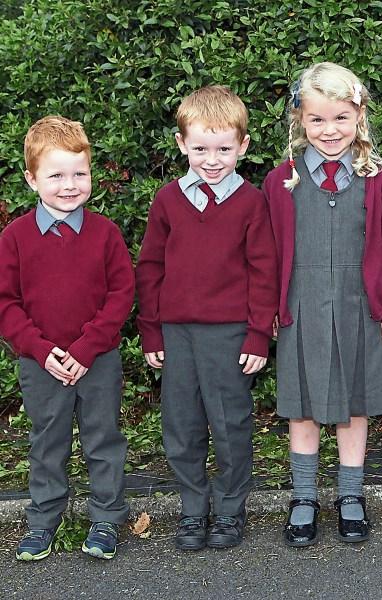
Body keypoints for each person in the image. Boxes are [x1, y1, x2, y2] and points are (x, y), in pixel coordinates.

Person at [261, 62, 382, 546]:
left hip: (358, 306)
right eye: (317, 119)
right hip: (300, 308)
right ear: (300, 119)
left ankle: (349, 496)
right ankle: (303, 497)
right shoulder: (281, 181)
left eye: (340, 118)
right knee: (302, 407)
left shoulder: (376, 180)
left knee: (352, 406)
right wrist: (270, 313)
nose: (329, 130)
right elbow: (267, 254)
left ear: (358, 116)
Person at [136, 86, 278, 549]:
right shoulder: (168, 200)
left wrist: (259, 334)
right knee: (181, 425)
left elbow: (264, 272)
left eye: (223, 149)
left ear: (243, 146)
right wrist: (151, 327)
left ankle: (231, 510)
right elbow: (151, 267)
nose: (211, 160)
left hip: (231, 333)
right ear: (182, 145)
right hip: (177, 333)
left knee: (230, 424)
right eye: (200, 149)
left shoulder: (251, 202)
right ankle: (194, 509)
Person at [0, 116, 134, 560]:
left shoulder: (105, 234)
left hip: (98, 360)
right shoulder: (15, 238)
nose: (69, 185)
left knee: (103, 439)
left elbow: (121, 295)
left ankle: (106, 520)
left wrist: (85, 348)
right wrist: (40, 350)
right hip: (41, 364)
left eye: (79, 173)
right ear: (31, 179)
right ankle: (42, 522)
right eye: (56, 175)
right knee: (47, 442)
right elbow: (6, 304)